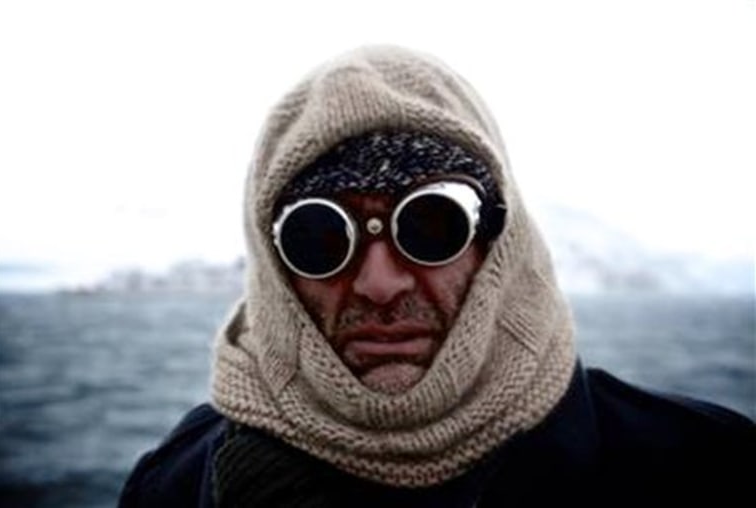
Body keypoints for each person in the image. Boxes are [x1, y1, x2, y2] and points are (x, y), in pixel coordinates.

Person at [119, 46, 754, 507]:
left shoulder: (703, 468)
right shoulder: (176, 486)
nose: (379, 283)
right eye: (320, 238)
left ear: (497, 245)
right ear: (274, 266)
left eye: (430, 227)